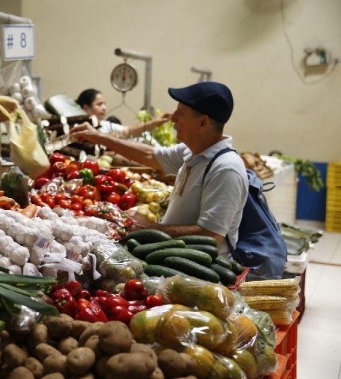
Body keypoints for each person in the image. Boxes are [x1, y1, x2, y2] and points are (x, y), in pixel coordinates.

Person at [70, 82, 248, 256]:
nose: (173, 118)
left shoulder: (225, 168)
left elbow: (211, 235)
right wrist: (97, 137)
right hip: (173, 255)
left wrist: (151, 228)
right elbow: (149, 155)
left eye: (181, 113)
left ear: (203, 123)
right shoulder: (191, 151)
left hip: (199, 272)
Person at [76, 89, 171, 139]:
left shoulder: (106, 125)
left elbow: (128, 131)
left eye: (104, 104)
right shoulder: (77, 127)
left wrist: (155, 122)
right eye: (99, 104)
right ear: (86, 108)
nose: (104, 108)